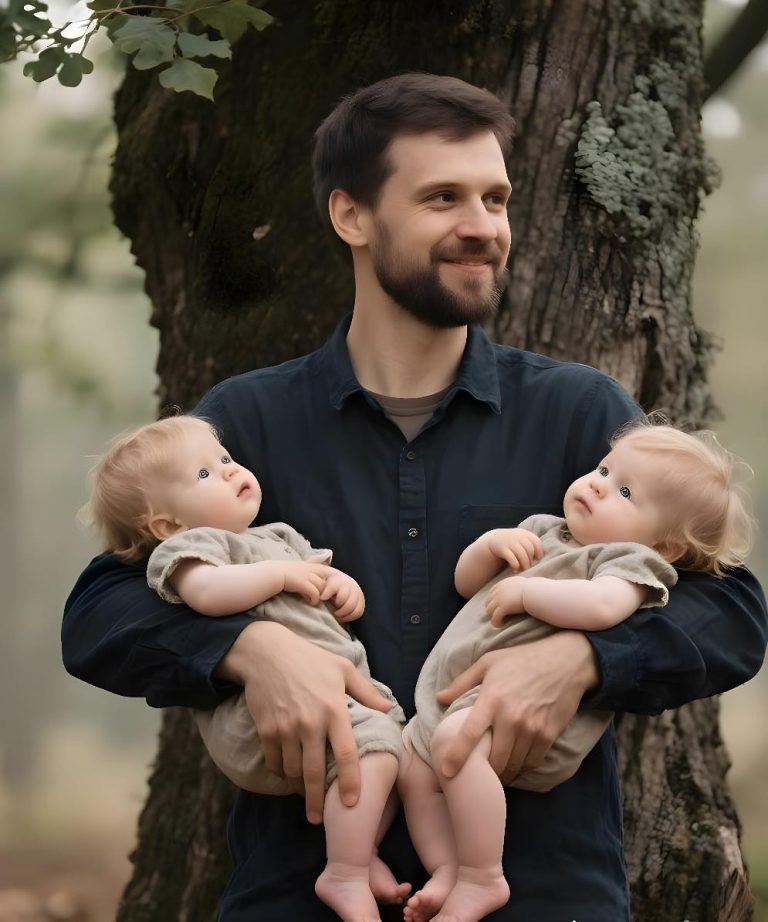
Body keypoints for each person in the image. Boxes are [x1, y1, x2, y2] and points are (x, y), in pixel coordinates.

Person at [62, 73, 767, 921]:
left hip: (545, 896)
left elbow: (729, 614)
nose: (483, 227)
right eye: (443, 198)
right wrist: (250, 651)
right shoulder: (246, 422)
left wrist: (581, 660)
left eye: (495, 199)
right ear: (351, 215)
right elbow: (99, 616)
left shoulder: (580, 415)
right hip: (296, 896)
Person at [397, 421, 754, 922]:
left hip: (530, 722)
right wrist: (490, 547)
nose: (597, 485)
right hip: (457, 701)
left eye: (624, 492)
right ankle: (447, 870)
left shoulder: (628, 563)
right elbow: (465, 581)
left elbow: (601, 608)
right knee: (414, 771)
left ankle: (484, 877)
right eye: (604, 470)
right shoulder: (544, 530)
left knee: (455, 747)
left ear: (666, 547)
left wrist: (527, 591)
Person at [86, 414, 409, 921]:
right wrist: (280, 576)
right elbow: (208, 595)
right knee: (376, 752)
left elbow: (321, 577)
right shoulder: (194, 550)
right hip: (261, 720)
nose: (231, 471)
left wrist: (344, 588)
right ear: (167, 525)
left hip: (343, 699)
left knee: (398, 755)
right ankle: (343, 874)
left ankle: (358, 852)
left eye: (226, 459)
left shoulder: (276, 537)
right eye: (204, 475)